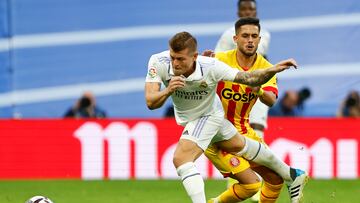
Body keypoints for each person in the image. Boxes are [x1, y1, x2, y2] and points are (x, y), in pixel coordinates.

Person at [145, 30, 307, 203]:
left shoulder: (210, 66)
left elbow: (248, 78)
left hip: (208, 116)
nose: (175, 63)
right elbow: (151, 102)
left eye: (181, 59)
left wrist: (273, 69)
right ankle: (290, 173)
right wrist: (168, 90)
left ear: (194, 57)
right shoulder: (159, 62)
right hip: (201, 118)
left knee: (181, 159)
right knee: (241, 145)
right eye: (173, 57)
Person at [203, 17, 299, 203]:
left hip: (244, 131)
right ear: (235, 38)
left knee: (274, 180)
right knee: (252, 185)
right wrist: (202, 65)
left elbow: (271, 100)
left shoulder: (266, 68)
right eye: (245, 36)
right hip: (216, 133)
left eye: (254, 36)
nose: (250, 40)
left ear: (259, 40)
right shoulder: (220, 60)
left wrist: (259, 89)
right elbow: (195, 78)